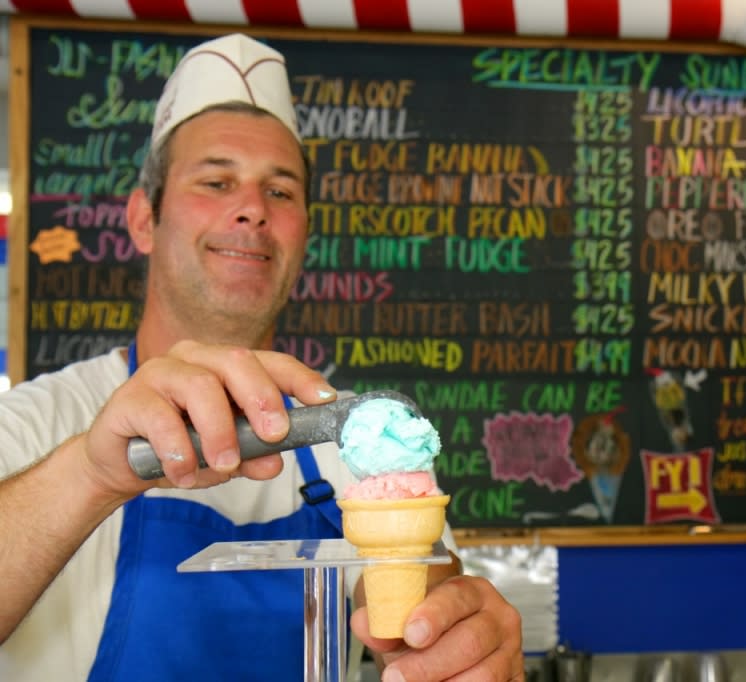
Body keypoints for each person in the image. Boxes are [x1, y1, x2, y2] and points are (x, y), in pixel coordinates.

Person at [0, 33, 523, 681]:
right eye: (215, 181)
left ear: (306, 230)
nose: (251, 209)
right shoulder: (36, 425)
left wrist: (454, 633)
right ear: (142, 218)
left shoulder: (355, 440)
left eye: (280, 191)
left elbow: (421, 613)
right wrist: (88, 474)